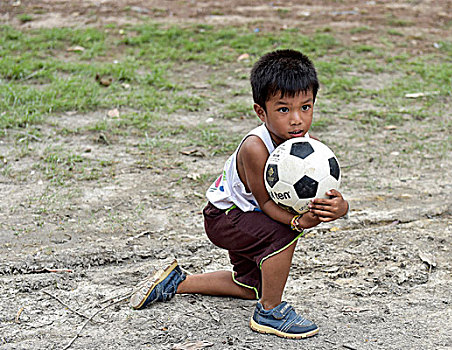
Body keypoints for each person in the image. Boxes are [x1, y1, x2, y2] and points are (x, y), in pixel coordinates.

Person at [129, 49, 349, 339]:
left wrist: (339, 207)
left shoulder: (311, 150)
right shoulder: (254, 148)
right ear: (261, 111)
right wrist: (298, 223)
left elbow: (322, 197)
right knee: (282, 235)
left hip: (249, 218)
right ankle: (270, 311)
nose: (297, 120)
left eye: (305, 107)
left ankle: (176, 282)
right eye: (284, 110)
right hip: (225, 217)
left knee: (252, 286)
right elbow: (268, 204)